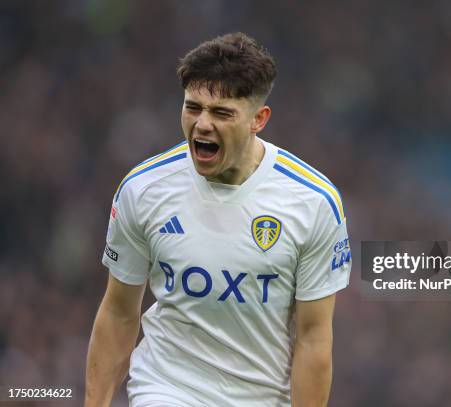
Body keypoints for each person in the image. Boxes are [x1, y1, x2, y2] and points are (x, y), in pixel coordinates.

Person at [85, 32, 351, 407]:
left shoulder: (313, 202)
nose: (202, 124)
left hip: (261, 397)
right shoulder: (144, 189)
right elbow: (118, 311)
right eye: (193, 108)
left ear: (259, 118)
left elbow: (313, 339)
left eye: (222, 113)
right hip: (165, 389)